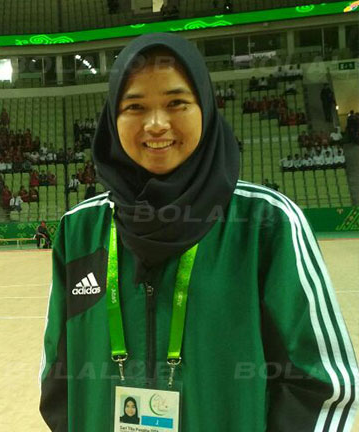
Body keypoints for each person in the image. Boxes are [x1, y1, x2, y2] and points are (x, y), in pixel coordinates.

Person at [39, 33, 358, 431]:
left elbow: (324, 387)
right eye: (135, 107)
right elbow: (58, 377)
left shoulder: (265, 222)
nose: (156, 124)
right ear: (111, 119)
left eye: (176, 103)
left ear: (205, 107)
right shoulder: (80, 229)